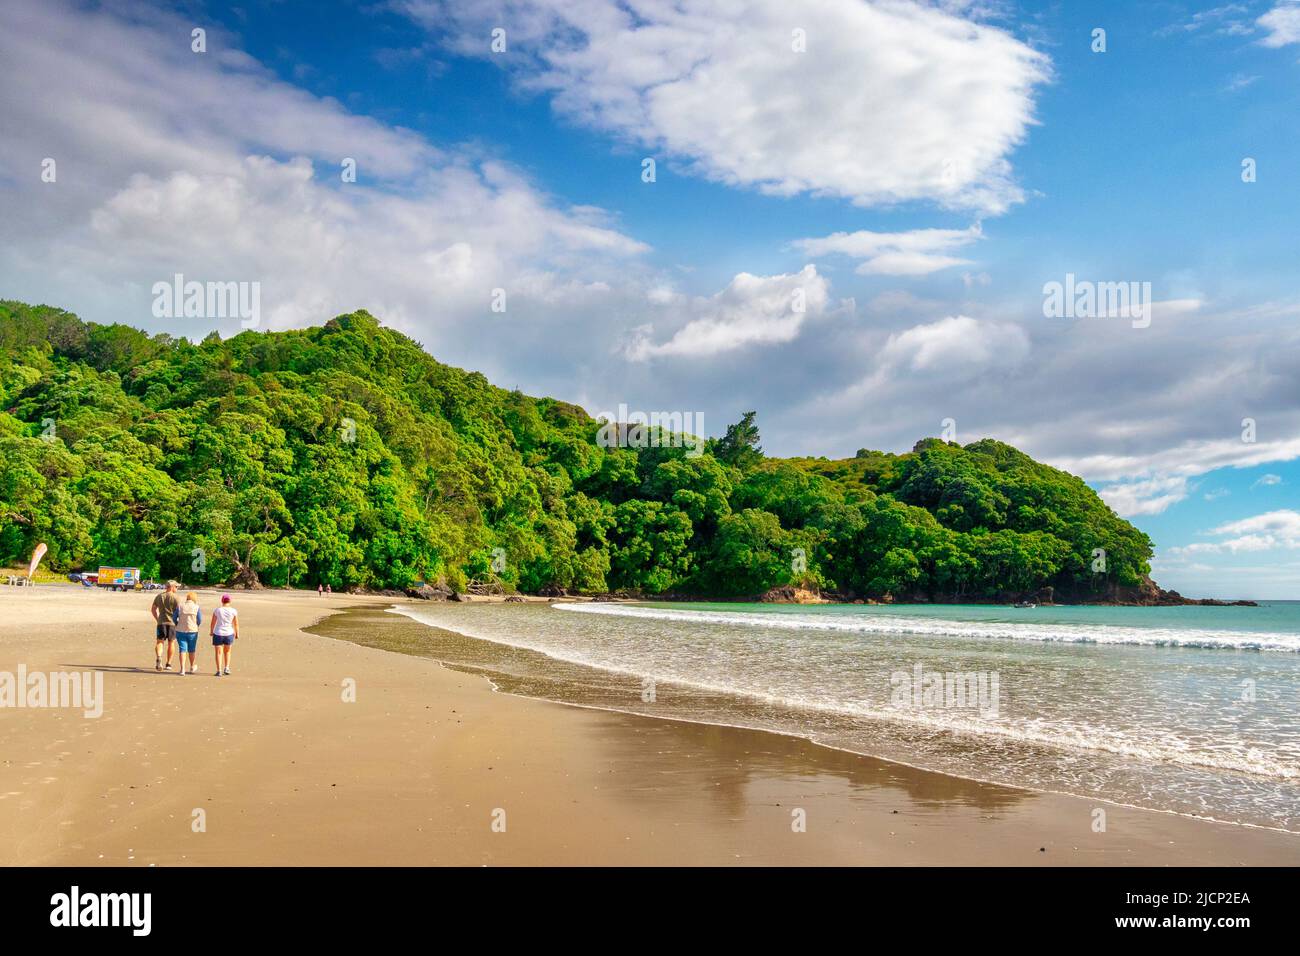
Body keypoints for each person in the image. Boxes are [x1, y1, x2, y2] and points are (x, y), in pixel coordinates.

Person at [150, 580, 180, 672]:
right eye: (176, 587)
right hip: (172, 623)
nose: (177, 588)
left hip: (161, 622)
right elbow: (179, 612)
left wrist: (157, 619)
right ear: (172, 587)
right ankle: (168, 663)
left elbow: (153, 609)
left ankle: (159, 657)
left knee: (160, 642)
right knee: (171, 643)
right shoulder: (176, 597)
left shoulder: (159, 596)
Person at [210, 593, 239, 677]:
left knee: (218, 652)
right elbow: (236, 624)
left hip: (218, 633)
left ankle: (219, 670)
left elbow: (213, 623)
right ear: (230, 601)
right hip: (229, 633)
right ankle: (226, 668)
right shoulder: (233, 611)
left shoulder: (218, 610)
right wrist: (237, 633)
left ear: (222, 600)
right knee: (227, 651)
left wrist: (211, 631)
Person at [175, 592, 202, 676]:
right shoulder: (197, 607)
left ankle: (182, 669)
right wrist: (196, 624)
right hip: (192, 631)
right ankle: (192, 666)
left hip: (180, 630)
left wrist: (177, 624)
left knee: (182, 649)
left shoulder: (180, 606)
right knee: (192, 649)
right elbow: (199, 620)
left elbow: (174, 617)